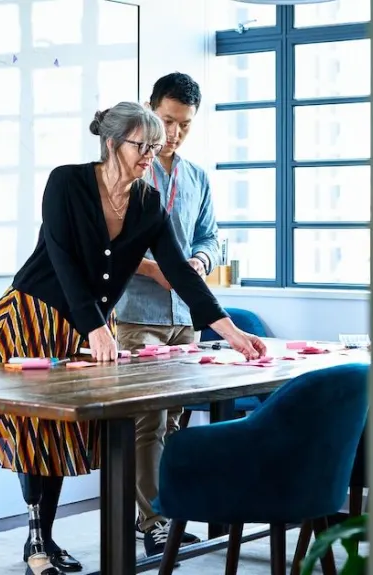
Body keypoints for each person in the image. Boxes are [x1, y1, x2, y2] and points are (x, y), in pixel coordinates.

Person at [0, 100, 267, 575]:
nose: (151, 153)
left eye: (155, 145)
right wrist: (96, 326)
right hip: (31, 316)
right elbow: (63, 259)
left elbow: (179, 273)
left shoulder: (148, 203)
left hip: (82, 324)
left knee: (62, 436)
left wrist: (229, 329)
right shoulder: (66, 182)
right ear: (111, 144)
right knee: (35, 433)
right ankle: (37, 541)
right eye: (141, 145)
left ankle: (42, 542)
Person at [115, 72, 219, 556]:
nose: (174, 133)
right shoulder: (131, 167)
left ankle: (162, 511)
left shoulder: (196, 176)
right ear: (148, 109)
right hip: (139, 312)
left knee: (176, 417)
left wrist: (200, 261)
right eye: (167, 120)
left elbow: (210, 237)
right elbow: (107, 245)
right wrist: (156, 270)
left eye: (185, 125)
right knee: (149, 419)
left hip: (185, 314)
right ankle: (155, 520)